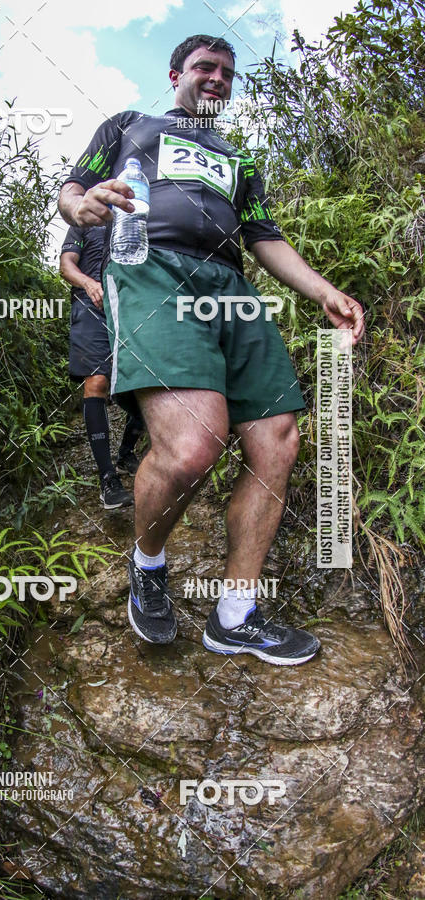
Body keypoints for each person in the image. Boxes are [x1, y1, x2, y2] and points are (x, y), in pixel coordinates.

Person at [57, 34, 364, 664]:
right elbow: (70, 192)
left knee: (278, 438)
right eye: (205, 67)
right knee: (195, 445)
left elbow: (264, 238)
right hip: (150, 271)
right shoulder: (128, 125)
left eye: (227, 71)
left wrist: (324, 291)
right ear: (176, 73)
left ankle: (236, 614)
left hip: (231, 286)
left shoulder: (238, 157)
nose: (217, 78)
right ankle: (148, 563)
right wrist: (82, 205)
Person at [60, 224, 145, 509]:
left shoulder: (132, 218)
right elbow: (66, 265)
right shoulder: (83, 222)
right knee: (96, 381)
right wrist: (87, 283)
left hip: (129, 305)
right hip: (89, 305)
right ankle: (108, 480)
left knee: (147, 382)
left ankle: (126, 452)